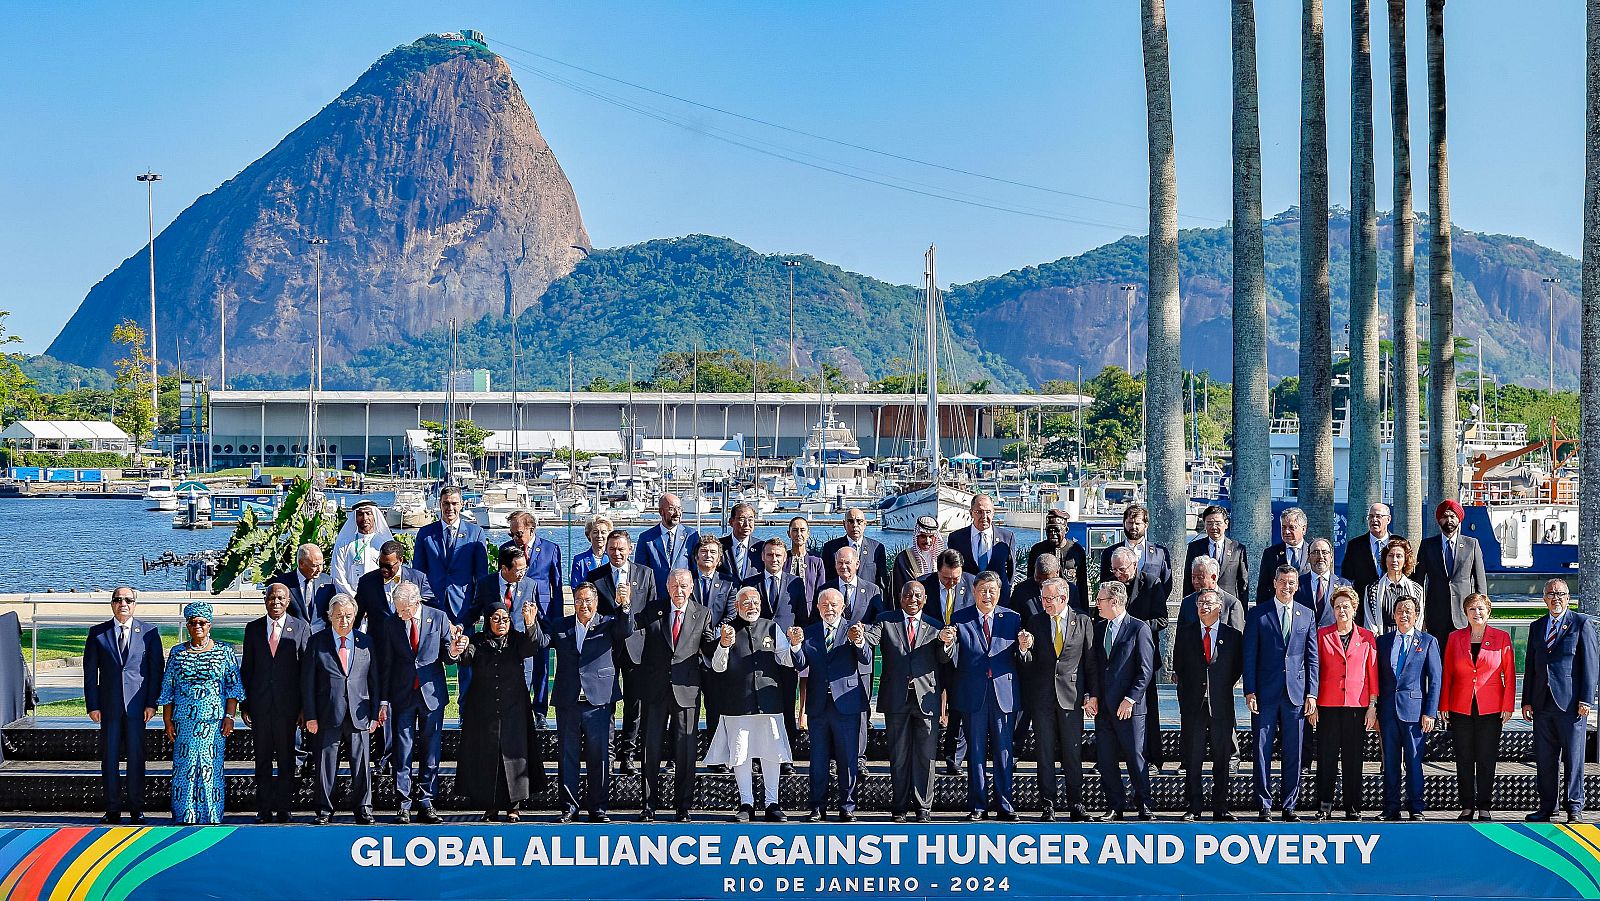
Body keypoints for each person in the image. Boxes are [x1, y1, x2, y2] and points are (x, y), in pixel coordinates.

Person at [445, 598, 547, 822]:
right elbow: (463, 659)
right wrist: (456, 649)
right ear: (487, 621)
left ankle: (514, 806)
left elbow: (532, 647)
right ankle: (490, 806)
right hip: (484, 711)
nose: (501, 623)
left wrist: (531, 624)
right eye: (496, 619)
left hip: (514, 709)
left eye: (505, 619)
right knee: (487, 758)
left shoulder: (517, 640)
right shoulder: (477, 640)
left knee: (514, 757)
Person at [541, 583, 629, 823]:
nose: (584, 605)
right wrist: (529, 624)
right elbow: (539, 641)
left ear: (596, 602)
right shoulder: (562, 625)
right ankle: (569, 807)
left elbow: (627, 629)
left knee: (599, 756)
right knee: (567, 757)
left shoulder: (609, 623)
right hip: (568, 701)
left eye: (588, 600)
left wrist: (624, 606)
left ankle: (598, 807)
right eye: (579, 600)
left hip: (599, 701)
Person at [634, 569, 718, 822]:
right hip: (655, 691)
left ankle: (683, 806)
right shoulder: (653, 610)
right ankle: (649, 805)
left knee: (686, 751)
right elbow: (634, 632)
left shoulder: (702, 614)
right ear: (667, 587)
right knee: (651, 750)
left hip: (686, 691)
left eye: (684, 586)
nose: (679, 591)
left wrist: (723, 643)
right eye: (675, 586)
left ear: (691, 587)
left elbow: (708, 646)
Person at [707, 587, 796, 823]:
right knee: (741, 755)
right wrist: (724, 645)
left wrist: (795, 645)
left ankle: (772, 803)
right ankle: (746, 803)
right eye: (745, 603)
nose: (751, 606)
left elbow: (786, 659)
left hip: (769, 703)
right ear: (737, 607)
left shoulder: (771, 627)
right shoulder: (727, 631)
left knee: (772, 754)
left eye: (755, 601)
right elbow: (717, 666)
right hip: (738, 703)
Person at [1015, 577, 1100, 822]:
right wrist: (1023, 649)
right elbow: (1028, 664)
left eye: (1049, 599)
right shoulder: (1036, 621)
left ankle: (1076, 803)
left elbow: (1090, 663)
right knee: (1044, 753)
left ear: (1064, 598)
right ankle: (1048, 805)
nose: (1045, 603)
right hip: (1042, 699)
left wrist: (1091, 694)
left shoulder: (1083, 621)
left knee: (1073, 753)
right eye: (1043, 598)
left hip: (1072, 699)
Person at [939, 572, 1022, 821]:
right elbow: (948, 658)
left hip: (1002, 694)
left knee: (1004, 752)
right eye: (982, 590)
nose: (987, 595)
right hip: (973, 694)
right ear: (974, 592)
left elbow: (1022, 659)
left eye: (992, 591)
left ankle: (1005, 805)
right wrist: (946, 644)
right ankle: (978, 805)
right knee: (975, 752)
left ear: (999, 593)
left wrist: (1026, 647)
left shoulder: (1013, 618)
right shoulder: (959, 619)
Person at [792, 587, 876, 822]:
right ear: (818, 607)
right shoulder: (809, 632)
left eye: (834, 605)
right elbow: (800, 665)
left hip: (847, 704)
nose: (830, 609)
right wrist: (796, 646)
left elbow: (867, 659)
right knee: (818, 760)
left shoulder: (854, 630)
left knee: (848, 759)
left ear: (842, 607)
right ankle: (817, 806)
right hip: (819, 706)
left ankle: (847, 806)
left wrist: (859, 642)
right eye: (825, 605)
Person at [1242, 565, 1319, 821]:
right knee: (1261, 749)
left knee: (1294, 750)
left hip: (1296, 694)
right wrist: (1249, 690)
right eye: (1283, 581)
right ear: (1275, 583)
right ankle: (1264, 804)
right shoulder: (1258, 614)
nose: (1287, 586)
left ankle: (1289, 804)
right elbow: (1250, 655)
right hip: (1264, 692)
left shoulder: (1306, 614)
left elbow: (1312, 658)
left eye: (1292, 583)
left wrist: (1312, 694)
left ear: (1297, 586)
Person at [157, 601, 244, 825]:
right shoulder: (177, 652)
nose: (197, 626)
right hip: (185, 720)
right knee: (185, 767)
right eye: (193, 622)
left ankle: (211, 815)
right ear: (187, 625)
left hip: (213, 721)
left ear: (210, 625)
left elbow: (233, 687)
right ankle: (185, 814)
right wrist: (167, 720)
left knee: (210, 767)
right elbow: (169, 686)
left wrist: (229, 716)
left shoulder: (224, 651)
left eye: (202, 623)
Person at [301, 595, 385, 825]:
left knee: (361, 764)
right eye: (339, 616)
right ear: (330, 617)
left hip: (360, 714)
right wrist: (310, 716)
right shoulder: (317, 642)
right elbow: (307, 682)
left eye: (348, 616)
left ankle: (364, 808)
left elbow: (374, 679)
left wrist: (376, 711)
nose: (344, 620)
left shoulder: (366, 642)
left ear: (355, 616)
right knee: (325, 765)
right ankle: (325, 810)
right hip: (328, 713)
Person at [83, 587, 163, 824]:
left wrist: (152, 703)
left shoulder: (149, 632)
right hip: (108, 707)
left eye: (128, 600)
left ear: (135, 604)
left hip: (138, 708)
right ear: (111, 604)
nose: (123, 604)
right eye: (118, 600)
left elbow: (155, 670)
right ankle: (113, 809)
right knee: (109, 759)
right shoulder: (98, 633)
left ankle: (136, 809)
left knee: (137, 759)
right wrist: (92, 705)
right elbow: (90, 673)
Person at [1522, 578, 1598, 823]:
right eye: (1551, 594)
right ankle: (1547, 807)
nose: (1556, 598)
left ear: (1568, 598)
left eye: (1561, 594)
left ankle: (1574, 807)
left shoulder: (1581, 624)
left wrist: (1586, 698)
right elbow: (1531, 666)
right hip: (1542, 703)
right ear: (1544, 598)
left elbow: (1590, 665)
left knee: (1574, 758)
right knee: (1545, 758)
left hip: (1571, 704)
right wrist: (1526, 701)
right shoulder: (1537, 626)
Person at [586, 529, 659, 772]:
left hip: (636, 648)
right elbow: (593, 612)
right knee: (606, 702)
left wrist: (632, 622)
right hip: (606, 648)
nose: (617, 553)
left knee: (634, 704)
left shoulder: (645, 574)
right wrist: (618, 611)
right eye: (612, 548)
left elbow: (651, 611)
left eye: (621, 548)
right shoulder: (596, 576)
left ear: (630, 549)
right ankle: (606, 753)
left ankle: (627, 754)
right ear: (606, 550)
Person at [1441, 591, 1516, 821]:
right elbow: (1448, 674)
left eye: (1481, 608)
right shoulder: (1455, 638)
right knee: (1463, 758)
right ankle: (1466, 807)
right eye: (1472, 609)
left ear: (1489, 611)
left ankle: (1484, 806)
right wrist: (1444, 703)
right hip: (1461, 706)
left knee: (1486, 757)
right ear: (1465, 613)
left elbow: (1509, 674)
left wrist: (1508, 705)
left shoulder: (1501, 637)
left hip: (1491, 707)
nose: (1477, 613)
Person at [378, 583, 449, 824]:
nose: (400, 614)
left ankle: (427, 801)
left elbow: (448, 654)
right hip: (403, 694)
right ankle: (403, 802)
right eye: (397, 610)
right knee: (402, 749)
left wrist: (457, 650)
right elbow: (386, 663)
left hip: (431, 693)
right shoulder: (391, 623)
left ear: (416, 603)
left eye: (404, 610)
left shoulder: (438, 617)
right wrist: (384, 700)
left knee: (431, 751)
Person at [874, 580, 943, 823]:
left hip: (927, 699)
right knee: (899, 754)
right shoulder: (885, 621)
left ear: (924, 599)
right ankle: (899, 806)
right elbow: (871, 640)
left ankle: (923, 806)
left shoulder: (936, 626)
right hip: (896, 698)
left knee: (926, 756)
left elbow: (944, 660)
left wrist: (947, 643)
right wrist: (859, 636)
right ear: (899, 597)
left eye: (917, 595)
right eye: (907, 595)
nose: (912, 599)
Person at [241, 583, 309, 823]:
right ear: (265, 600)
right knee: (261, 759)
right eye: (271, 598)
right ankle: (264, 809)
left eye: (281, 598)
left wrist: (304, 708)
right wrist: (245, 704)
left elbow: (305, 671)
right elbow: (247, 668)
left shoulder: (301, 628)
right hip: (260, 706)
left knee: (286, 759)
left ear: (288, 601)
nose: (276, 602)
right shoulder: (253, 628)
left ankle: (284, 808)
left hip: (289, 708)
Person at [1172, 589, 1243, 822]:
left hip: (1220, 704)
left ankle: (1220, 807)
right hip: (1193, 705)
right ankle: (1194, 806)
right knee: (1193, 757)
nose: (1204, 606)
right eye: (1200, 602)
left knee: (1221, 757)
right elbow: (1179, 667)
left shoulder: (1232, 636)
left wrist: (1218, 687)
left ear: (1220, 607)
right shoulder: (1185, 634)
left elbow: (1235, 669)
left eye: (1209, 603)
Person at [1090, 581, 1155, 819]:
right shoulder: (1098, 629)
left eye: (1100, 600)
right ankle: (1115, 805)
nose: (1097, 604)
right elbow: (1095, 667)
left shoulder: (1138, 629)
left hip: (1129, 707)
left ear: (1114, 602)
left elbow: (1145, 670)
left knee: (1135, 757)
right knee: (1106, 759)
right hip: (1105, 708)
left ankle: (1143, 803)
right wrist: (1093, 695)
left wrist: (1130, 699)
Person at [1312, 586, 1378, 820]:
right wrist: (1313, 703)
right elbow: (1314, 670)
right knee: (1326, 757)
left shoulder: (1366, 637)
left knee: (1353, 758)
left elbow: (1372, 672)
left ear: (1355, 609)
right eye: (1338, 606)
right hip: (1327, 705)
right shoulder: (1322, 634)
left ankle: (1353, 807)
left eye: (1346, 606)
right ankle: (1325, 805)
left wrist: (1372, 705)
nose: (1342, 610)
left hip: (1356, 705)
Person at [1375, 596, 1441, 820]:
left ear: (1416, 615)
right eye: (1400, 610)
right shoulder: (1382, 642)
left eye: (1409, 610)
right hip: (1388, 711)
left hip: (1415, 712)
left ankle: (1416, 808)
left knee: (1413, 761)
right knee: (1390, 762)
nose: (1404, 614)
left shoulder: (1428, 641)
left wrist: (1430, 712)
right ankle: (1391, 808)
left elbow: (1434, 680)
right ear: (1393, 615)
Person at [1106, 545, 1168, 767]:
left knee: (1147, 709)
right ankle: (1115, 754)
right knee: (1112, 706)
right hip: (1116, 658)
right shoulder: (1110, 584)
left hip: (1142, 654)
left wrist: (1135, 627)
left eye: (1122, 570)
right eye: (1114, 570)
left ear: (1134, 565)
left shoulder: (1151, 583)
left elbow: (1162, 620)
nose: (1118, 575)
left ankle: (1151, 757)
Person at [921, 550, 976, 775]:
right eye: (946, 578)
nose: (951, 582)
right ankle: (926, 755)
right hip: (930, 654)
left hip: (961, 657)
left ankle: (954, 757)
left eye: (955, 578)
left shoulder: (973, 583)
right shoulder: (923, 585)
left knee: (959, 708)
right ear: (937, 570)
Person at [413, 486, 489, 627]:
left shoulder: (476, 533)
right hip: (432, 606)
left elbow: (481, 575)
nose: (450, 508)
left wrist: (478, 607)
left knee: (464, 648)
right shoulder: (425, 534)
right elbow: (418, 573)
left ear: (462, 504)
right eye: (446, 503)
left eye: (454, 503)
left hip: (464, 606)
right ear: (440, 504)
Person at [1416, 499, 1489, 645]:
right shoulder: (1427, 545)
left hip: (1464, 615)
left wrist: (1482, 612)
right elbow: (1418, 583)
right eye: (1445, 516)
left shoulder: (1471, 544)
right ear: (1439, 520)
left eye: (1453, 516)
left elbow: (1480, 581)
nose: (1449, 520)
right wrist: (1419, 614)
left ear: (1459, 519)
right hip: (1436, 615)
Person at [946, 494, 1018, 607]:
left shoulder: (1007, 538)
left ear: (993, 512)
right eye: (979, 512)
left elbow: (1011, 571)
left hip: (998, 601)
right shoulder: (956, 538)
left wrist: (1004, 590)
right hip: (966, 600)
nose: (984, 516)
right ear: (971, 513)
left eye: (988, 512)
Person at [1099, 503, 1173, 602]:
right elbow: (1105, 583)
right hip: (1119, 611)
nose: (1133, 527)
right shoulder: (1109, 553)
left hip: (1150, 611)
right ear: (1124, 524)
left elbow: (1166, 585)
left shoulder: (1160, 553)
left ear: (1146, 525)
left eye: (1138, 523)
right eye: (1129, 522)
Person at [354, 540, 434, 631]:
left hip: (407, 639)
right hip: (379, 641)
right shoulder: (367, 582)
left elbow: (432, 609)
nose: (384, 569)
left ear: (400, 560)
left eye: (388, 566)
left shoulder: (418, 579)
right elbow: (356, 615)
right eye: (381, 564)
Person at [636, 493, 700, 598]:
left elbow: (696, 569)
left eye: (679, 508)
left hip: (683, 597)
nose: (677, 513)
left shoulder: (691, 535)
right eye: (672, 509)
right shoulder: (646, 538)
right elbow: (641, 572)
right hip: (656, 598)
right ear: (661, 511)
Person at [1026, 511, 1088, 613]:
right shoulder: (1037, 550)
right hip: (1044, 605)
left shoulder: (1076, 550)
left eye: (1056, 530)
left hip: (1071, 604)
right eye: (1049, 530)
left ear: (1066, 530)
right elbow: (1030, 580)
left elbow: (1082, 583)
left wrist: (1084, 612)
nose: (1052, 534)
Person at [1184, 504, 1249, 603]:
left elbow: (1243, 583)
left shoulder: (1238, 548)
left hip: (1228, 604)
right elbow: (1188, 580)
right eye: (1209, 523)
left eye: (1218, 523)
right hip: (1202, 604)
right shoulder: (1194, 548)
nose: (1214, 527)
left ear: (1226, 524)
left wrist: (1242, 612)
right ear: (1205, 524)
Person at [504, 509, 563, 615]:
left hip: (543, 609)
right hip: (515, 609)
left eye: (519, 534)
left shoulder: (550, 549)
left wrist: (558, 617)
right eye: (511, 534)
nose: (514, 538)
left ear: (531, 530)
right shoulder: (505, 549)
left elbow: (557, 586)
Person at [331, 499, 393, 598]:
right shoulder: (344, 544)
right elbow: (338, 575)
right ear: (355, 518)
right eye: (360, 514)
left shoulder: (384, 542)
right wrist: (355, 598)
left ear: (374, 516)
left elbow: (392, 572)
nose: (365, 518)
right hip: (351, 600)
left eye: (368, 513)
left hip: (380, 599)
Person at [821, 508, 889, 596]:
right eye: (850, 521)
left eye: (859, 521)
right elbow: (825, 578)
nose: (855, 525)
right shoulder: (831, 548)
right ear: (844, 524)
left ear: (865, 524)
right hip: (838, 600)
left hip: (867, 602)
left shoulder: (877, 548)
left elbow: (882, 582)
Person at [1362, 537, 1424, 633]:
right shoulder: (1372, 589)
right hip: (1381, 641)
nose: (1394, 559)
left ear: (1405, 561)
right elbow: (1369, 623)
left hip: (1408, 641)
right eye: (1390, 555)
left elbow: (1418, 620)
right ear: (1385, 559)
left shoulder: (1417, 589)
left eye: (1399, 556)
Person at [266, 543, 335, 630]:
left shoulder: (328, 581)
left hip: (320, 638)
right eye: (314, 565)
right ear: (301, 563)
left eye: (321, 564)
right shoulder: (283, 583)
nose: (320, 569)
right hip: (293, 636)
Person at [1341, 503, 1400, 600]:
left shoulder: (1399, 543)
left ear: (1388, 519)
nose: (1374, 520)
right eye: (1371, 516)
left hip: (1394, 603)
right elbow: (1347, 577)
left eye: (1378, 516)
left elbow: (1408, 573)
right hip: (1363, 604)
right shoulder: (1355, 545)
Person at [1254, 507, 1311, 607]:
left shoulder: (1313, 552)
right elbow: (1263, 587)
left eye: (1291, 527)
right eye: (1284, 527)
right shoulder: (1271, 553)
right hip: (1277, 610)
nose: (1287, 532)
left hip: (1306, 612)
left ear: (1303, 529)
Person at [1177, 556, 1245, 632]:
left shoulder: (1232, 604)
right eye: (1193, 577)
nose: (1195, 582)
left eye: (1200, 577)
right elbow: (1180, 638)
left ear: (1213, 577)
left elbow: (1237, 639)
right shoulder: (1187, 603)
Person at [1295, 538, 1351, 627]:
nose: (1320, 557)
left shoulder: (1344, 584)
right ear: (1308, 557)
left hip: (1334, 638)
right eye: (1315, 552)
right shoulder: (1297, 584)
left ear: (1331, 557)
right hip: (1305, 638)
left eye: (1325, 552)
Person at [824, 545, 883, 625]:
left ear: (857, 564)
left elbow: (879, 621)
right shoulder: (825, 590)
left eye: (848, 563)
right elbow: (817, 619)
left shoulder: (872, 590)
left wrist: (862, 631)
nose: (843, 567)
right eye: (840, 563)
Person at [892, 515, 944, 604]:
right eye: (923, 536)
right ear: (916, 536)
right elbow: (898, 590)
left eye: (931, 536)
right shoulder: (903, 558)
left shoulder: (942, 558)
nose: (928, 541)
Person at [785, 516, 826, 616]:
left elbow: (820, 591)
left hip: (809, 614)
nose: (799, 534)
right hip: (786, 611)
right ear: (788, 534)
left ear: (808, 534)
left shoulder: (816, 562)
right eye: (794, 530)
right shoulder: (782, 559)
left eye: (802, 530)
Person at [1008, 552, 1059, 621]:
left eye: (1047, 579)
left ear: (1057, 573)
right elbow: (1012, 619)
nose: (1042, 583)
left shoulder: (1070, 590)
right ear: (1035, 570)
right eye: (1038, 578)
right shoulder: (1021, 590)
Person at [719, 504, 763, 583]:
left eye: (750, 519)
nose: (747, 524)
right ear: (731, 522)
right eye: (742, 519)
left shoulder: (761, 547)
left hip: (752, 593)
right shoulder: (719, 546)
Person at [569, 514, 614, 589]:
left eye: (603, 532)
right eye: (595, 532)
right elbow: (575, 588)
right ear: (588, 535)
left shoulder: (614, 558)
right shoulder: (579, 560)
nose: (599, 536)